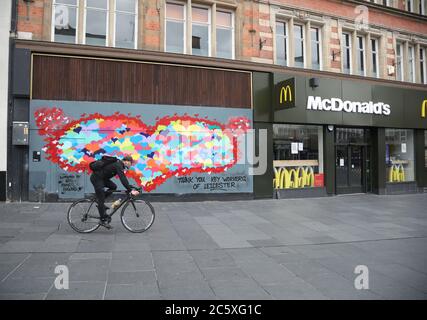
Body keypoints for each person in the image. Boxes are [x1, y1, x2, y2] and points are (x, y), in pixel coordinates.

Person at [90, 155, 139, 229]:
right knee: (101, 198)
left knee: (113, 187)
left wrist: (129, 187)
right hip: (96, 178)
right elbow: (122, 178)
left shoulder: (119, 164)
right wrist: (130, 190)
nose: (130, 164)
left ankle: (100, 201)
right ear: (125, 161)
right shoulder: (118, 164)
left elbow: (123, 178)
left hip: (102, 178)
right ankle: (102, 220)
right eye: (130, 162)